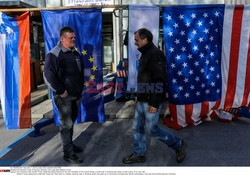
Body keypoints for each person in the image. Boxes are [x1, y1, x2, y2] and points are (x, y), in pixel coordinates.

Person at [122, 28, 187, 164]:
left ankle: (178, 144)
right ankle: (139, 153)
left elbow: (160, 80)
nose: (135, 43)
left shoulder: (155, 54)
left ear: (145, 40)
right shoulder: (146, 53)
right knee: (137, 127)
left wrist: (155, 103)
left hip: (151, 100)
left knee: (152, 130)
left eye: (137, 40)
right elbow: (146, 78)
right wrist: (139, 95)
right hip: (143, 99)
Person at [44, 26, 84, 164]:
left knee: (70, 123)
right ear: (62, 39)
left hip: (76, 95)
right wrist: (61, 90)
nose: (74, 39)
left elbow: (79, 73)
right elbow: (48, 76)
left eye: (74, 37)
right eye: (71, 38)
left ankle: (70, 145)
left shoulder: (74, 53)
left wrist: (80, 88)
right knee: (66, 125)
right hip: (64, 96)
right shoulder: (54, 54)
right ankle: (68, 153)